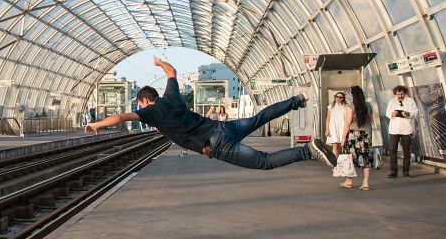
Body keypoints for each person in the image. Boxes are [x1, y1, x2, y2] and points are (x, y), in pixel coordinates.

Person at [85, 57, 336, 170]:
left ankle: (307, 151)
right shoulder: (171, 95)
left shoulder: (152, 113)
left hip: (217, 145)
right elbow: (172, 70)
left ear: (145, 101)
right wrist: (160, 63)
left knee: (264, 162)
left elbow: (120, 118)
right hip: (223, 127)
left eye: (139, 104)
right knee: (260, 118)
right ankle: (296, 101)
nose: (138, 108)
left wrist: (97, 125)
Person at [344, 85, 374, 190]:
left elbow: (347, 123)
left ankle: (349, 180)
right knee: (365, 158)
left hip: (354, 135)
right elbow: (371, 120)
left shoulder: (351, 106)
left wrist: (343, 138)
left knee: (351, 158)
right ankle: (365, 182)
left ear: (353, 95)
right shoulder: (368, 106)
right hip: (366, 135)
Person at [385, 85, 417, 178]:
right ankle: (393, 171)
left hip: (406, 129)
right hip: (394, 129)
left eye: (401, 94)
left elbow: (415, 112)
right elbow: (387, 113)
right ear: (395, 94)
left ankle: (406, 171)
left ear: (405, 93)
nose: (400, 96)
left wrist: (408, 114)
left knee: (406, 150)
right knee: (392, 150)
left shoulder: (410, 101)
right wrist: (392, 114)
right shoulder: (392, 102)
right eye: (398, 94)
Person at [325, 91, 352, 158]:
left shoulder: (346, 107)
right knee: (335, 146)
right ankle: (335, 163)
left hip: (342, 128)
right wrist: (327, 130)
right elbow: (328, 119)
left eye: (340, 97)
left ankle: (340, 162)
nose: (338, 98)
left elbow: (348, 119)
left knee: (341, 147)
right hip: (333, 128)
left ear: (343, 98)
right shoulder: (331, 107)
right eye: (336, 97)